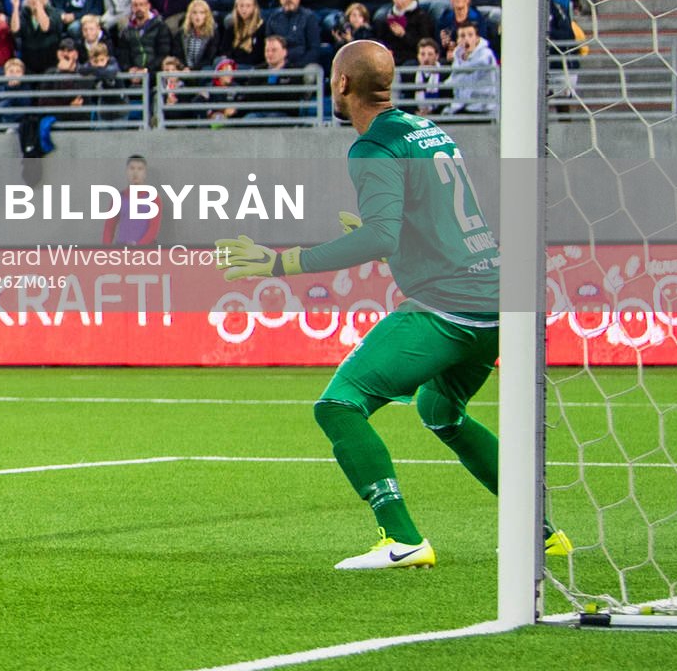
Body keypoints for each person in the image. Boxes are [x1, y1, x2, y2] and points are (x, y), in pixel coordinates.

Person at [215, 41, 570, 570]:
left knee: (338, 405)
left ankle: (401, 539)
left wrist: (279, 264)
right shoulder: (428, 131)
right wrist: (389, 235)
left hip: (448, 308)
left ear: (340, 85)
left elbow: (380, 237)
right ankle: (539, 534)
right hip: (498, 298)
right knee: (439, 410)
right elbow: (433, 222)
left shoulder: (372, 147)